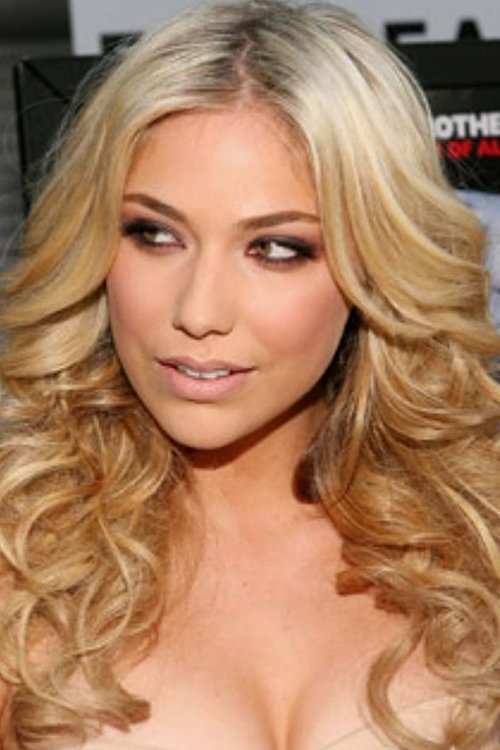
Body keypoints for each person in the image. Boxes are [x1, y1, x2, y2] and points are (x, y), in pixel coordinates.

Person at [0, 1, 499, 748]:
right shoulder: (22, 553)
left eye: (276, 248)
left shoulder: (482, 534)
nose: (198, 312)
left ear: (373, 264)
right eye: (154, 233)